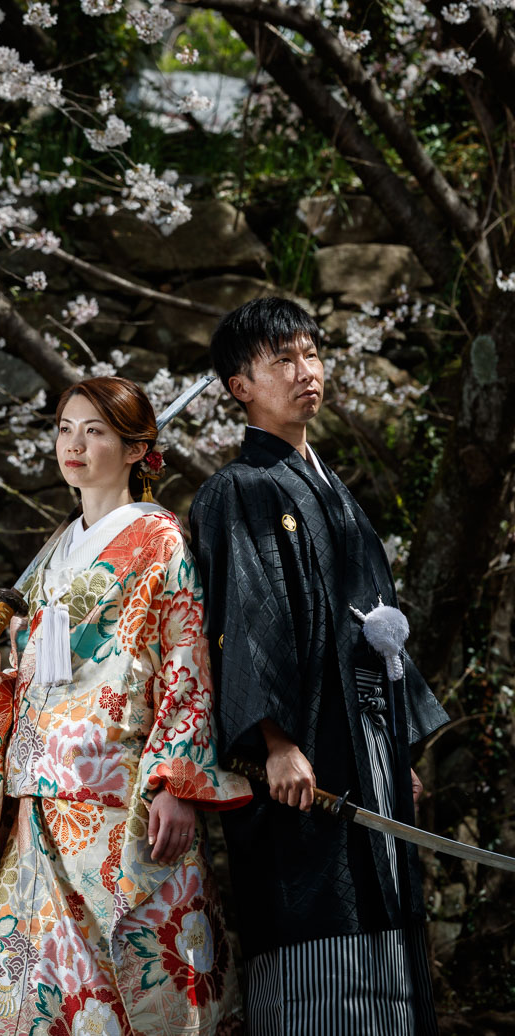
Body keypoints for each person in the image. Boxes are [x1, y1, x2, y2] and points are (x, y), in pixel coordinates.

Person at [0, 375, 251, 1036]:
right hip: (41, 798)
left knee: (133, 990)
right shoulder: (59, 550)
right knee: (29, 995)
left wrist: (175, 778)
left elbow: (185, 658)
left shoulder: (161, 540)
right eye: (65, 429)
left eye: (96, 431)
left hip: (123, 802)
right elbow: (43, 675)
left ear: (141, 449)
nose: (75, 445)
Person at [187, 297, 449, 1036]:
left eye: (311, 355)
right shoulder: (239, 490)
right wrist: (272, 740)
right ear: (240, 386)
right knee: (315, 919)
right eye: (283, 362)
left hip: (366, 738)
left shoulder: (334, 492)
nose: (306, 374)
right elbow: (243, 622)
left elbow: (377, 632)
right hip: (300, 750)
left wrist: (395, 745)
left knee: (388, 916)